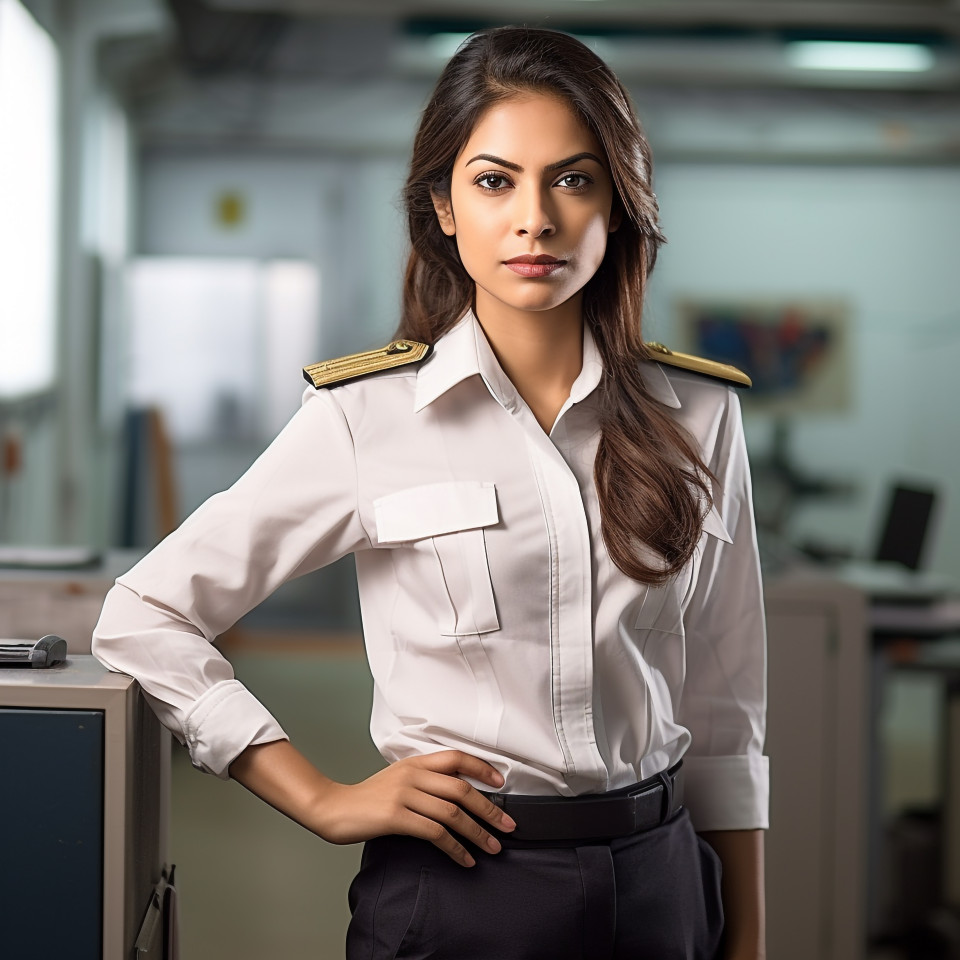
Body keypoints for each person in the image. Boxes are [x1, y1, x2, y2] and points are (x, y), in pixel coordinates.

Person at [93, 26, 767, 960]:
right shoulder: (367, 416)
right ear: (443, 207)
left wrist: (749, 934)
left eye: (573, 179)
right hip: (460, 890)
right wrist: (320, 798)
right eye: (495, 181)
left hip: (663, 884)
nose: (535, 218)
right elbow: (145, 613)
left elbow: (731, 710)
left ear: (619, 204)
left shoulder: (698, 414)